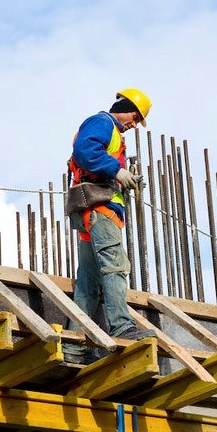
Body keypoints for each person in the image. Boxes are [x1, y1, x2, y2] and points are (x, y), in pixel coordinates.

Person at [63, 88, 156, 364]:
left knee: (89, 283)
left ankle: (75, 346)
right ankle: (122, 326)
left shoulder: (112, 133)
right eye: (135, 117)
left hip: (91, 211)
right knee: (115, 267)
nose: (134, 124)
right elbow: (84, 151)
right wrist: (117, 171)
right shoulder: (103, 122)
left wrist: (123, 178)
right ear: (124, 107)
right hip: (100, 210)